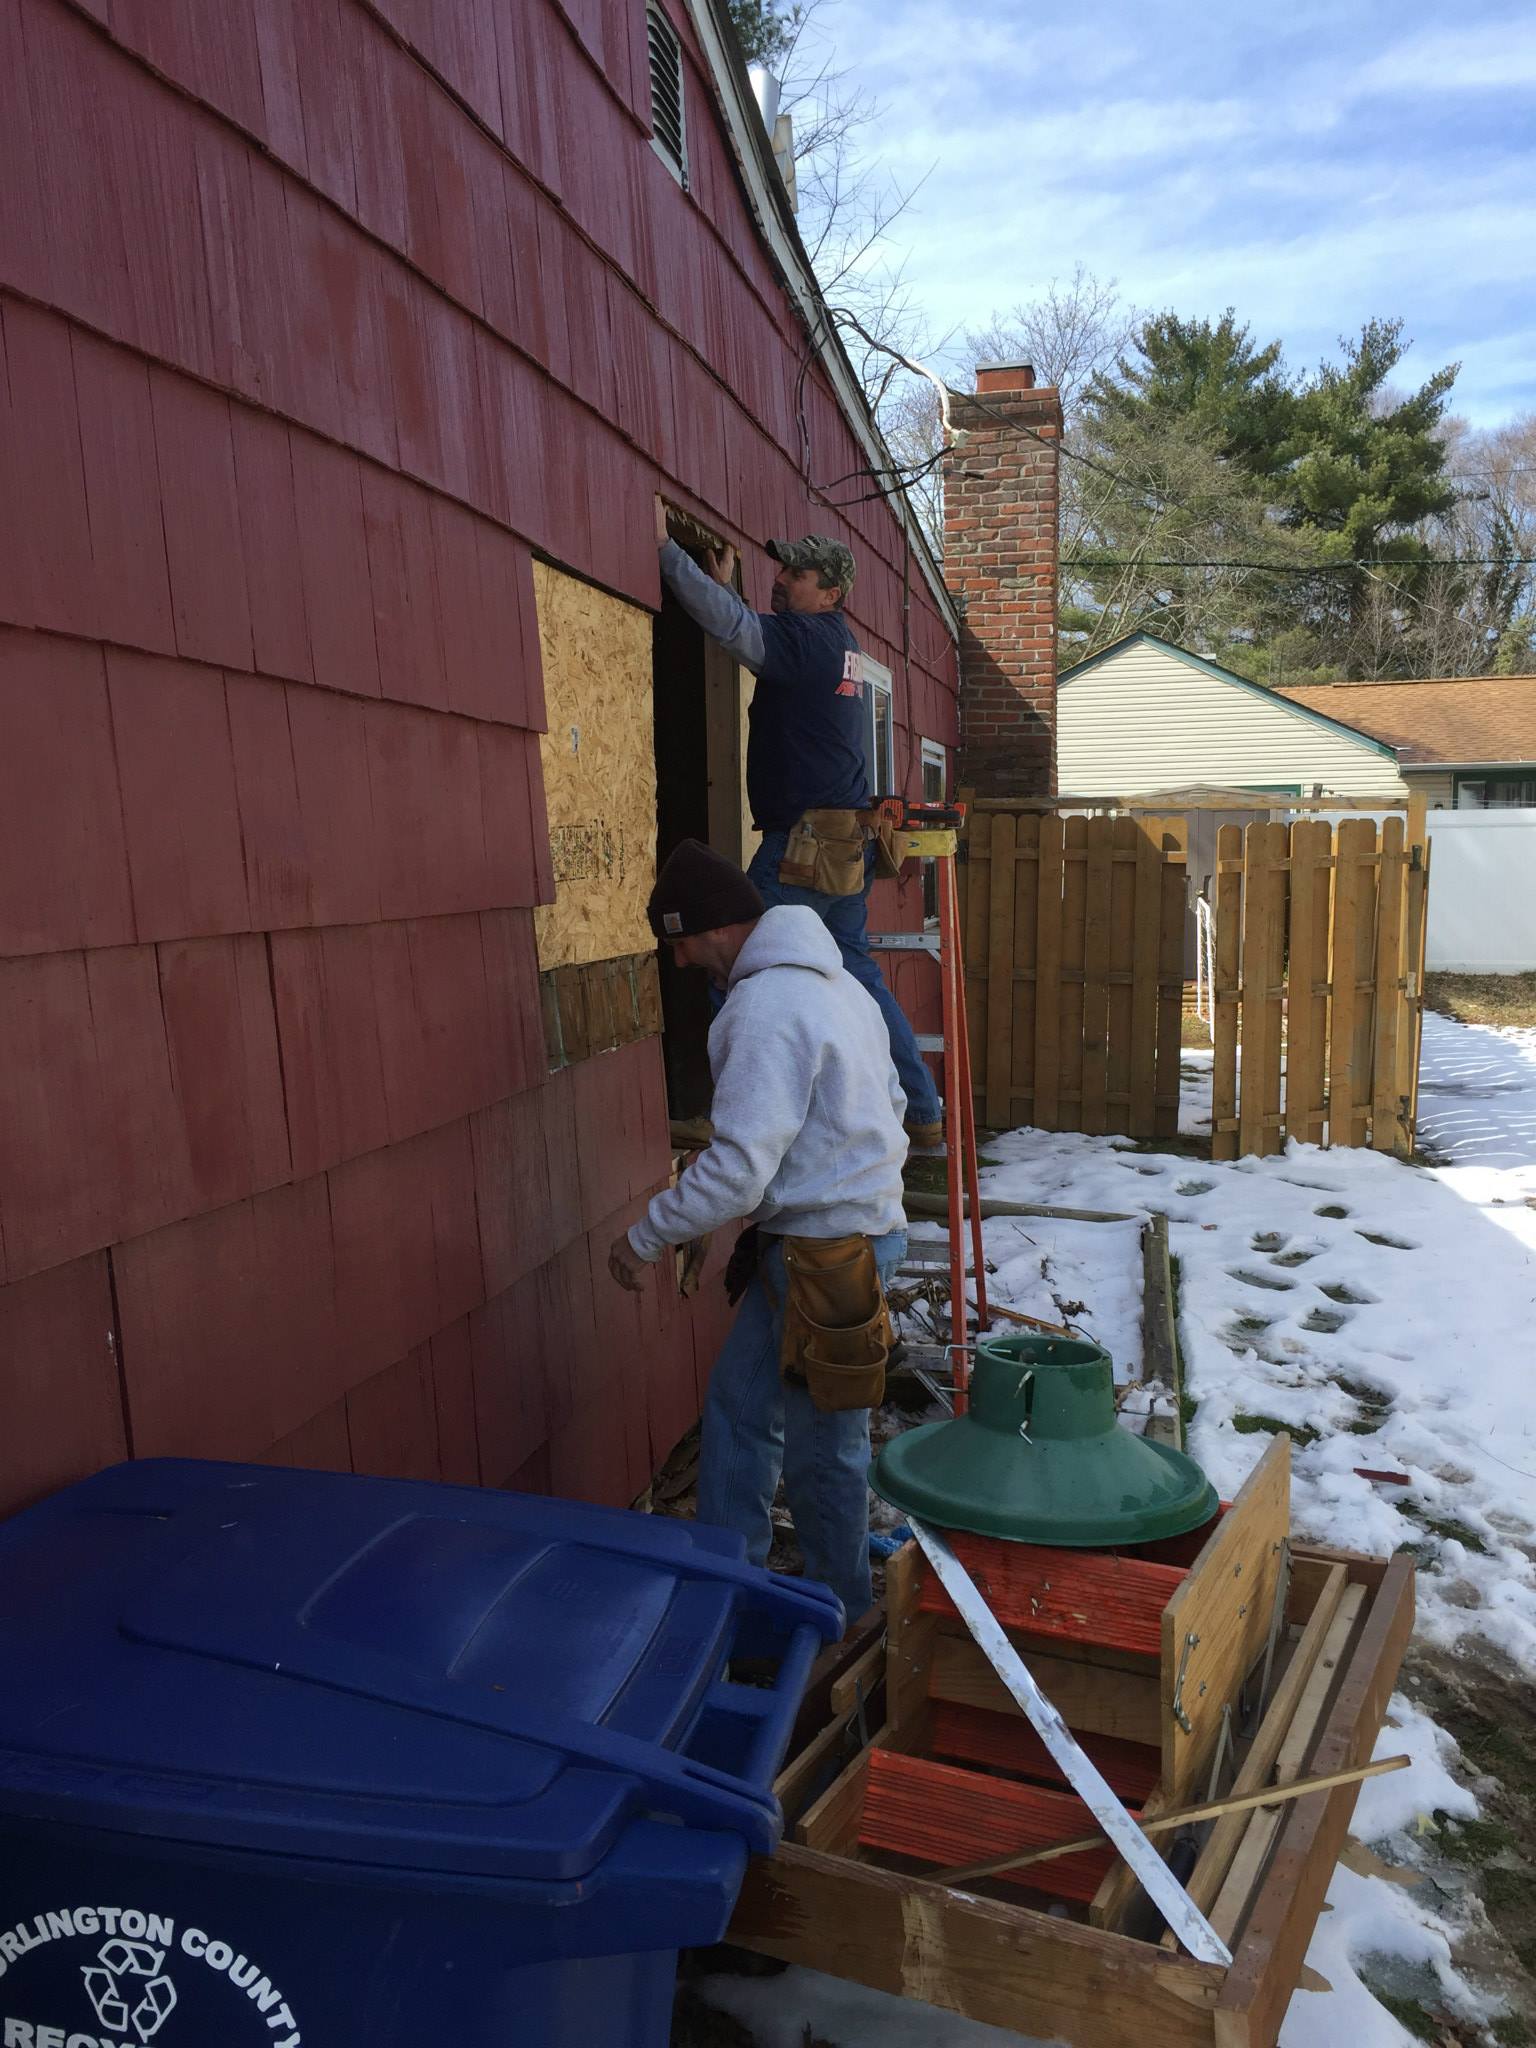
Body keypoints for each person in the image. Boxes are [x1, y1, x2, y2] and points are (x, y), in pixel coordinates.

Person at [608, 838, 908, 1623]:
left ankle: (834, 1617)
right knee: (740, 1414)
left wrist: (646, 1236)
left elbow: (739, 1167)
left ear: (709, 929)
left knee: (824, 1454)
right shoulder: (838, 986)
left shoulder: (767, 1008)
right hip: (821, 1245)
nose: (679, 963)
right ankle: (730, 1593)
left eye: (678, 943)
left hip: (826, 1253)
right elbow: (896, 1104)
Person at [654, 499, 944, 1144]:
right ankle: (922, 1113)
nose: (781, 578)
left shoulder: (808, 638)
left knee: (726, 952)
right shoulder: (833, 643)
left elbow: (735, 631)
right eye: (780, 569)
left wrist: (667, 553)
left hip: (805, 847)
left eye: (796, 574)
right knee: (858, 975)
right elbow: (749, 629)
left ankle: (736, 1114)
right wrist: (729, 587)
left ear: (830, 592)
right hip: (840, 844)